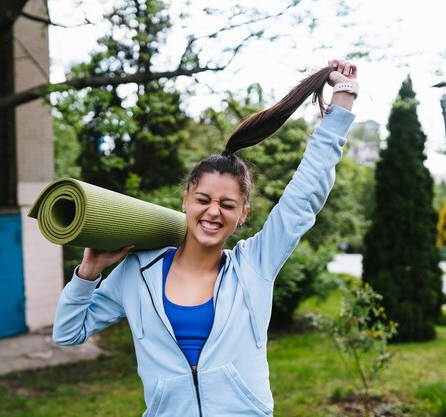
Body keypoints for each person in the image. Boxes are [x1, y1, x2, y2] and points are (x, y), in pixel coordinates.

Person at [53, 59, 358, 417]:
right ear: (186, 200)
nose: (213, 212)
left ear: (243, 213)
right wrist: (88, 272)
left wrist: (342, 100)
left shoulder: (255, 265)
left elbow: (304, 196)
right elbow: (68, 333)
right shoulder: (138, 271)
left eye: (227, 204)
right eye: (203, 200)